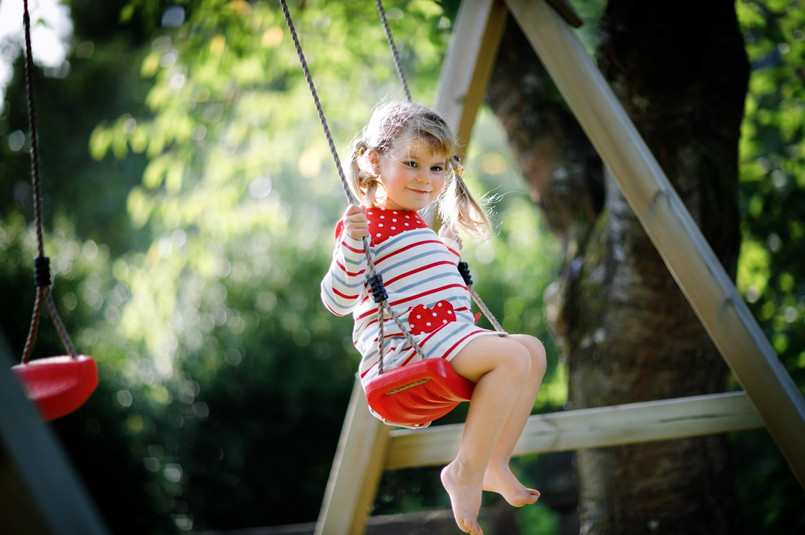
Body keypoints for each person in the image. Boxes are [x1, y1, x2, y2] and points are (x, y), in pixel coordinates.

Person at [320, 101, 546, 535]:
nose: (426, 179)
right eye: (412, 163)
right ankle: (463, 470)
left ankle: (494, 461)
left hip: (447, 336)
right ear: (374, 161)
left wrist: (448, 250)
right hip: (410, 351)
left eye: (438, 168)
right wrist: (350, 243)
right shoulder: (366, 224)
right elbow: (337, 299)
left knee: (532, 350)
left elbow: (426, 283)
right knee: (512, 359)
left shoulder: (417, 227)